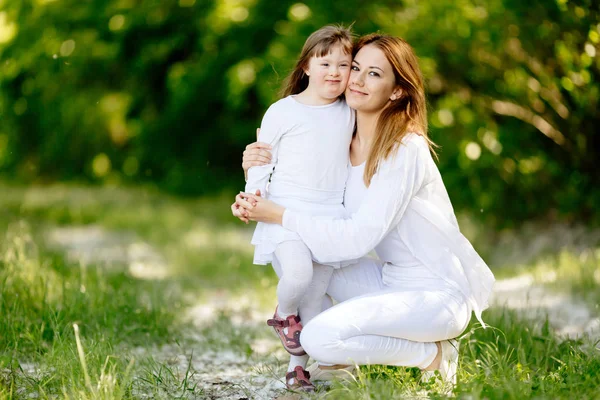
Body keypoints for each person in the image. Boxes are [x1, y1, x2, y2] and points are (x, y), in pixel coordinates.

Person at [233, 33, 495, 390]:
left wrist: (279, 215)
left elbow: (357, 238)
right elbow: (298, 174)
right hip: (388, 278)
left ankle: (433, 356)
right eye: (355, 67)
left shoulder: (404, 148)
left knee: (317, 338)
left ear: (397, 91)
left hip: (435, 294)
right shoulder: (343, 132)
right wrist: (256, 166)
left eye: (373, 74)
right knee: (301, 260)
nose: (355, 78)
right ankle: (338, 360)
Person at [242, 25, 355, 392]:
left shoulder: (349, 111)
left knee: (315, 300)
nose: (335, 72)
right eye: (325, 63)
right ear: (307, 66)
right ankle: (281, 313)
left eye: (344, 64)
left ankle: (297, 369)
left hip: (327, 216)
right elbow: (261, 159)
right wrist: (252, 194)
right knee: (297, 275)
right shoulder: (283, 111)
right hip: (284, 212)